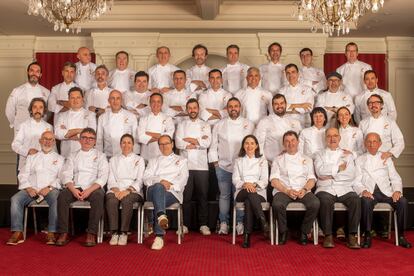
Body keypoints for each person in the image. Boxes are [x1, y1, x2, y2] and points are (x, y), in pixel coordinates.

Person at [7, 131, 64, 246]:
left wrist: (50, 187)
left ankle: (52, 232)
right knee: (15, 199)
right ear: (40, 140)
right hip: (31, 189)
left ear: (54, 142)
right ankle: (18, 232)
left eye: (51, 139)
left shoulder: (60, 159)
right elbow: (23, 175)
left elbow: (62, 178)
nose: (48, 142)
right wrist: (28, 188)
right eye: (45, 139)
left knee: (56, 198)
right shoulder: (32, 157)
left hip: (50, 190)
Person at [355, 132, 411, 249]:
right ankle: (367, 235)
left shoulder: (386, 158)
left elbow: (395, 177)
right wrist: (363, 191)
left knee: (403, 202)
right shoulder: (360, 160)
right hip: (370, 191)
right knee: (366, 202)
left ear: (380, 144)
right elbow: (356, 181)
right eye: (369, 142)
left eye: (375, 141)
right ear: (365, 144)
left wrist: (397, 191)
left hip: (386, 191)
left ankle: (401, 236)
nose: (372, 144)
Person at [208, 97, 255, 235]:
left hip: (242, 168)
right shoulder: (219, 125)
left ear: (240, 108)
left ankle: (239, 223)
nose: (233, 108)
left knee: (239, 196)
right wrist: (216, 165)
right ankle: (223, 223)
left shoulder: (249, 124)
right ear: (227, 109)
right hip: (223, 166)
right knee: (224, 195)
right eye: (230, 106)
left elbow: (253, 144)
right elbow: (213, 147)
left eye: (236, 106)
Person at [56, 128, 108, 247]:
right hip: (76, 186)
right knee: (62, 196)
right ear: (79, 140)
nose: (87, 140)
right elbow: (66, 174)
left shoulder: (101, 156)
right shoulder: (73, 155)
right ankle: (63, 232)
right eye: (84, 137)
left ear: (95, 141)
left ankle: (91, 233)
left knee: (99, 196)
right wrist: (73, 189)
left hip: (93, 187)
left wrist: (89, 190)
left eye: (90, 138)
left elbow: (103, 176)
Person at [314, 128, 361, 249]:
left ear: (339, 138)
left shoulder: (347, 155)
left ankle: (352, 235)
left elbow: (350, 174)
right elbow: (320, 172)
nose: (332, 138)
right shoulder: (319, 154)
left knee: (355, 200)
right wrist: (338, 169)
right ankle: (328, 235)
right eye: (329, 136)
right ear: (325, 139)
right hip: (325, 188)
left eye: (335, 135)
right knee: (324, 200)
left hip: (344, 187)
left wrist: (330, 175)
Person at [270, 130, 319, 245]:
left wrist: (305, 189)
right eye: (287, 141)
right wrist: (286, 190)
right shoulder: (278, 159)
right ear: (283, 144)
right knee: (277, 204)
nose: (290, 143)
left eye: (293, 140)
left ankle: (304, 231)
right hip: (284, 190)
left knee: (315, 203)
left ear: (298, 142)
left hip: (303, 190)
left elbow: (311, 179)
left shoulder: (307, 159)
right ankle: (283, 231)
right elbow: (274, 180)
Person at [143, 135, 189, 250]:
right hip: (152, 191)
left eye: (167, 143)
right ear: (158, 146)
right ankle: (161, 221)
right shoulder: (153, 161)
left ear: (172, 144)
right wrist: (160, 181)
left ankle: (159, 229)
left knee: (160, 189)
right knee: (159, 187)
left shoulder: (182, 160)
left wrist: (170, 185)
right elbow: (146, 178)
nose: (164, 146)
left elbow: (183, 180)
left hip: (173, 193)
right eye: (161, 144)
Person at [175, 99, 211, 235]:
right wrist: (197, 143)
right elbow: (178, 142)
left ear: (198, 108)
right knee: (186, 197)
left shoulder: (205, 125)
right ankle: (184, 224)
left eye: (194, 107)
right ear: (187, 109)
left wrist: (191, 141)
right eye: (190, 108)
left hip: (202, 166)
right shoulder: (182, 125)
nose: (192, 110)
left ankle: (203, 224)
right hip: (185, 166)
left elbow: (207, 142)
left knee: (203, 196)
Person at [106, 134, 145, 246]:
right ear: (120, 144)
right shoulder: (113, 160)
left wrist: (127, 190)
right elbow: (111, 178)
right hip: (116, 188)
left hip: (133, 190)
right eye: (124, 142)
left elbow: (140, 180)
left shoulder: (139, 159)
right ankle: (114, 232)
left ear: (133, 145)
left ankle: (123, 232)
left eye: (129, 142)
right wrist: (117, 190)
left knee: (127, 200)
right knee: (111, 199)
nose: (126, 145)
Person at [233, 135, 269, 248]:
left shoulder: (262, 160)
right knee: (249, 193)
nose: (249, 146)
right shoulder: (238, 161)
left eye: (252, 143)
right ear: (243, 146)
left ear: (257, 145)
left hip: (259, 192)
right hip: (241, 191)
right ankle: (263, 221)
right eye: (247, 143)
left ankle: (247, 236)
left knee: (249, 200)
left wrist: (253, 185)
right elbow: (235, 179)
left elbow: (264, 180)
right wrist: (246, 184)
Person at [5, 61, 50, 136]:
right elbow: (9, 110)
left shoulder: (47, 92)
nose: (34, 74)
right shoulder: (17, 91)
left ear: (40, 74)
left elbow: (48, 112)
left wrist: (43, 121)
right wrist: (15, 123)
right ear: (28, 72)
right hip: (21, 128)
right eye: (32, 71)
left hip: (40, 129)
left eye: (37, 71)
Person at [255, 94, 302, 163]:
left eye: (281, 103)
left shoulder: (295, 122)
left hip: (291, 162)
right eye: (276, 104)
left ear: (286, 104)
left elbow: (299, 143)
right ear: (272, 106)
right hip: (270, 163)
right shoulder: (264, 122)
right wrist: (264, 163)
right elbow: (259, 145)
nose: (279, 106)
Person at [12, 98, 53, 173]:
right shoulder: (23, 125)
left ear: (44, 110)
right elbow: (15, 145)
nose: (38, 110)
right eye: (35, 107)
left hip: (44, 166)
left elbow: (53, 147)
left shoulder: (49, 127)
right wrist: (28, 151)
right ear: (31, 110)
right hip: (26, 165)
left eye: (41, 107)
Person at [359, 94, 404, 160]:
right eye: (370, 103)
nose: (373, 105)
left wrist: (389, 153)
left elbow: (400, 142)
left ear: (381, 105)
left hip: (385, 159)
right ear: (368, 106)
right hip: (367, 160)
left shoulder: (390, 122)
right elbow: (360, 144)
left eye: (376, 102)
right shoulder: (362, 123)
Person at [54, 87, 96, 158]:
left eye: (78, 97)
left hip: (85, 155)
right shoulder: (62, 115)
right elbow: (57, 134)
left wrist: (67, 134)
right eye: (72, 98)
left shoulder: (90, 115)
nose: (75, 100)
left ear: (82, 99)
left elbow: (91, 134)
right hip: (66, 153)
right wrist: (80, 130)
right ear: (69, 100)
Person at [96, 90, 138, 158]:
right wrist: (100, 157)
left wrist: (135, 155)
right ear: (109, 101)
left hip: (127, 156)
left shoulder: (131, 116)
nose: (115, 101)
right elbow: (99, 140)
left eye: (118, 98)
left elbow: (135, 137)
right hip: (108, 155)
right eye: (112, 98)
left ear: (121, 100)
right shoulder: (102, 117)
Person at [137, 93, 175, 161]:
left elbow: (169, 136)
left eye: (158, 101)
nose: (156, 104)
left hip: (163, 154)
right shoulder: (143, 119)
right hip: (146, 154)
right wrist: (160, 135)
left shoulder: (168, 118)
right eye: (153, 101)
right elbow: (140, 137)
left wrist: (148, 133)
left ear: (162, 103)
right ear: (150, 103)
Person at [278, 63, 314, 128]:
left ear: (298, 74)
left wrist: (289, 107)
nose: (290, 75)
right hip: (286, 123)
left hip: (303, 122)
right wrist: (301, 105)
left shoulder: (307, 89)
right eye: (288, 73)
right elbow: (280, 107)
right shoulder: (281, 91)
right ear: (285, 75)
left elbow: (309, 107)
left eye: (293, 72)